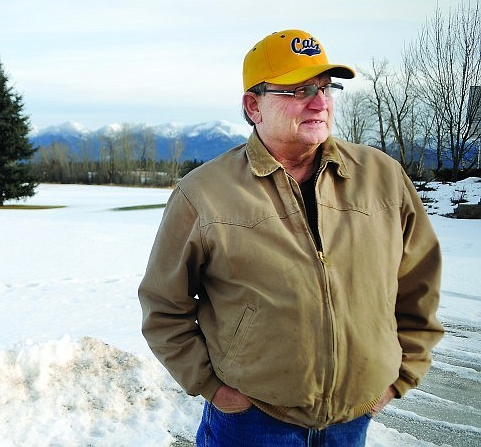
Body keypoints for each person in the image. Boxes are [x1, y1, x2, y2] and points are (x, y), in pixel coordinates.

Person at [138, 29, 444, 446]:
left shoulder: (383, 176)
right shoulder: (204, 193)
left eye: (325, 88)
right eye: (299, 90)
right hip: (254, 422)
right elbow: (163, 306)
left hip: (352, 418)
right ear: (253, 105)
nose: (320, 102)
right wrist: (213, 388)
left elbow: (419, 285)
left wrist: (399, 375)